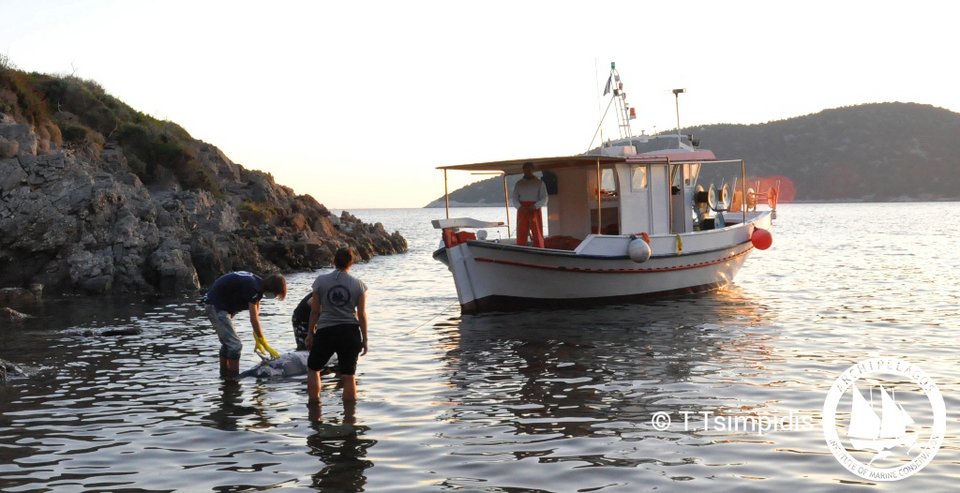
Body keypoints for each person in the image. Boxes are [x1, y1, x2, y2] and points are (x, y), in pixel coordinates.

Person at [306, 247, 368, 405]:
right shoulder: (359, 285)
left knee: (314, 369)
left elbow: (314, 311)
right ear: (351, 263)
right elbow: (361, 315)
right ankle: (350, 419)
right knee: (349, 376)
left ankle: (314, 410)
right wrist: (365, 339)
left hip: (326, 331)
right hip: (350, 332)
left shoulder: (320, 281)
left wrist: (310, 333)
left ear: (334, 261)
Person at [204, 271, 287, 379]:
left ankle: (224, 377)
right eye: (276, 294)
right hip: (215, 306)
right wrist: (264, 341)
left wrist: (257, 337)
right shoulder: (253, 287)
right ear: (272, 289)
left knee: (228, 344)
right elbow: (253, 319)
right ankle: (234, 379)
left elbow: (256, 314)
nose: (275, 297)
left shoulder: (258, 284)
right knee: (235, 345)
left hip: (222, 306)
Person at [512, 162, 548, 247]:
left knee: (537, 230)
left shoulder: (539, 183)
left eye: (529, 169)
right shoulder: (519, 183)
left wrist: (535, 206)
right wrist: (519, 207)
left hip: (534, 209)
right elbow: (514, 198)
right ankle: (520, 247)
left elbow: (544, 198)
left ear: (532, 170)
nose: (527, 171)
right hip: (522, 209)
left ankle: (539, 248)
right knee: (521, 230)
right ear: (523, 170)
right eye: (525, 169)